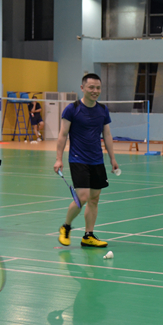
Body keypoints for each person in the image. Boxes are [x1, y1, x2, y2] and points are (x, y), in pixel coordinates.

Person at [54, 73, 119, 248]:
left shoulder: (103, 110)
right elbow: (62, 135)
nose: (95, 91)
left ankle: (88, 235)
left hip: (97, 160)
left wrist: (112, 158)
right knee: (82, 197)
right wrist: (58, 159)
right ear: (82, 88)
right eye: (91, 87)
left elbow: (107, 134)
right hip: (78, 159)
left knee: (94, 199)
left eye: (98, 88)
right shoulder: (72, 109)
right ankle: (66, 226)